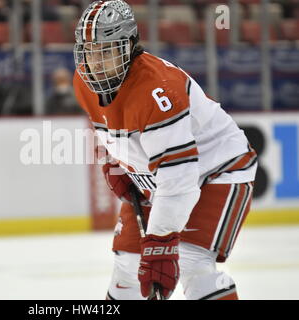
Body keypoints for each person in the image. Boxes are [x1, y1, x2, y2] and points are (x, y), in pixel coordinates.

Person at [72, 0, 257, 300]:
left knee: (191, 264)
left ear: (130, 46)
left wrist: (161, 241)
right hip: (160, 177)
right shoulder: (83, 82)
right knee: (127, 269)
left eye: (106, 51)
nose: (96, 62)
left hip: (217, 169)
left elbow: (179, 177)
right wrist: (116, 161)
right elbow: (108, 125)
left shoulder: (157, 90)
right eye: (89, 51)